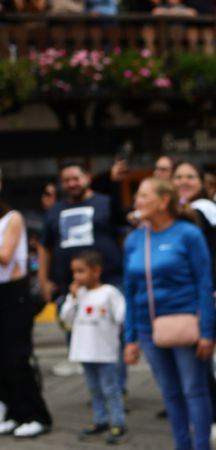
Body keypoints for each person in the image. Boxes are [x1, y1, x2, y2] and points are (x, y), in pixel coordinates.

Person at [122, 178, 216, 450]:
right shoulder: (134, 240)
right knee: (170, 394)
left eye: (143, 195)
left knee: (194, 391)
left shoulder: (188, 234)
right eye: (137, 196)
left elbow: (204, 283)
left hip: (185, 325)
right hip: (148, 329)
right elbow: (129, 291)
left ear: (164, 201)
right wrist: (130, 338)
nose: (137, 201)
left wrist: (207, 331)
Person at [39, 162, 126, 379]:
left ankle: (117, 387)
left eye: (75, 178)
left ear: (87, 177)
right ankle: (94, 386)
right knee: (79, 338)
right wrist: (44, 280)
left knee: (115, 337)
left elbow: (122, 235)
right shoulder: (54, 211)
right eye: (66, 180)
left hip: (110, 281)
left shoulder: (106, 203)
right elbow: (45, 247)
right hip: (71, 286)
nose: (71, 184)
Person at [173, 161, 216, 443]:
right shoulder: (174, 212)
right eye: (179, 176)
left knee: (203, 362)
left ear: (202, 182)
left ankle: (215, 418)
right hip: (179, 296)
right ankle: (194, 418)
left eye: (190, 176)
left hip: (204, 293)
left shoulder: (207, 210)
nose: (184, 181)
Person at [59, 250, 128, 444]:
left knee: (110, 388)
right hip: (84, 351)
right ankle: (100, 420)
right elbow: (66, 318)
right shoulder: (78, 294)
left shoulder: (109, 293)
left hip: (105, 351)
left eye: (81, 271)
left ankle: (118, 421)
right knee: (94, 389)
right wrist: (73, 298)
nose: (76, 276)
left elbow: (122, 315)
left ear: (96, 271)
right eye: (74, 272)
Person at [0, 198, 53, 438]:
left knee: (17, 357)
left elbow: (5, 256)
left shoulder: (13, 218)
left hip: (14, 293)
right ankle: (14, 413)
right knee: (2, 359)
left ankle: (37, 415)